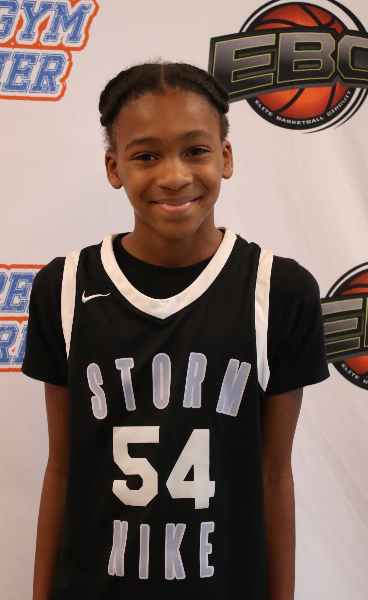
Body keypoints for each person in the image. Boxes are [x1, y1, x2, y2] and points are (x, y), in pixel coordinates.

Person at [22, 62, 329, 600]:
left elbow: (274, 474)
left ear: (225, 157)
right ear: (114, 167)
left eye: (195, 150)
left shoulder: (278, 290)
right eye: (146, 156)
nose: (174, 175)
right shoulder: (64, 287)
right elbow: (62, 470)